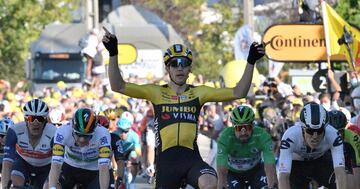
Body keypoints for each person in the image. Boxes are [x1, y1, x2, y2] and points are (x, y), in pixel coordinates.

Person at [102, 26, 265, 189]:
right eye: (174, 63)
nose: (179, 67)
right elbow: (118, 86)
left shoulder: (199, 93)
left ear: (189, 69)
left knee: (210, 183)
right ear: (168, 68)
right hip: (166, 163)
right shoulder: (156, 92)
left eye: (184, 64)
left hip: (192, 159)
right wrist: (113, 54)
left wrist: (250, 61)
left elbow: (239, 92)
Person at [278, 103, 347, 189]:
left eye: (319, 131)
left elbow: (340, 172)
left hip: (320, 162)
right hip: (296, 165)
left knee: (345, 180)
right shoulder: (290, 136)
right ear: (303, 128)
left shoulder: (334, 136)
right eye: (310, 131)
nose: (315, 136)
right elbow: (283, 177)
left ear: (326, 128)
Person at [47, 108, 112, 189]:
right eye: (78, 134)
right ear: (72, 128)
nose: (82, 140)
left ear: (94, 130)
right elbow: (56, 165)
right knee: (48, 186)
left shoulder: (103, 134)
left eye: (87, 136)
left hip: (96, 170)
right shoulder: (62, 131)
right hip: (70, 167)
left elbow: (104, 168)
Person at [217, 105, 277, 189]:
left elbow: (270, 165)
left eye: (247, 127)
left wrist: (272, 186)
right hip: (233, 173)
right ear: (233, 126)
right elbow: (221, 169)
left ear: (252, 125)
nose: (243, 132)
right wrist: (222, 186)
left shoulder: (262, 135)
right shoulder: (225, 137)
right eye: (239, 128)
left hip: (256, 171)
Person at [2, 99, 56, 189]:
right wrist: (4, 187)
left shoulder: (54, 133)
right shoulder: (14, 131)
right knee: (15, 185)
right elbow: (7, 163)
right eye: (31, 118)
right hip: (22, 163)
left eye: (40, 119)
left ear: (45, 120)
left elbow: (57, 165)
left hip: (46, 167)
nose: (35, 123)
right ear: (25, 119)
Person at [328, 110, 360, 189]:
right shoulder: (319, 138)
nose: (338, 135)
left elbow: (357, 170)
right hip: (326, 164)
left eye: (341, 131)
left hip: (348, 165)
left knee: (351, 183)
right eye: (334, 131)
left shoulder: (353, 138)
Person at [113, 111, 141, 184]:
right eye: (121, 131)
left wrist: (133, 162)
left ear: (130, 130)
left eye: (126, 131)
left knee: (134, 156)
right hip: (117, 152)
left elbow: (138, 152)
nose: (123, 134)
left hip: (129, 152)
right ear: (117, 129)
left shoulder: (134, 136)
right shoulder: (113, 134)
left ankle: (133, 181)